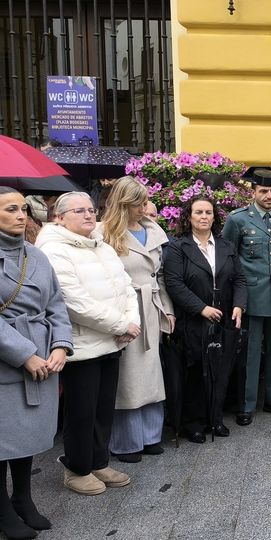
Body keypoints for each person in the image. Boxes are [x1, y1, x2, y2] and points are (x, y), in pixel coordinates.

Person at [36, 191, 139, 495]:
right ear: (60, 217)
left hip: (113, 341)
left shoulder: (102, 245)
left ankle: (98, 461)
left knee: (103, 409)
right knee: (81, 412)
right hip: (81, 346)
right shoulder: (54, 249)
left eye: (91, 209)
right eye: (79, 211)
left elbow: (126, 286)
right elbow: (72, 302)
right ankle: (77, 469)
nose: (88, 215)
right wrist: (121, 324)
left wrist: (131, 323)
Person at [0, 187, 72, 540]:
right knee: (3, 438)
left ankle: (23, 499)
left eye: (23, 209)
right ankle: (1, 508)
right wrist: (23, 354)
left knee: (27, 434)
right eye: (11, 209)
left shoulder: (36, 255)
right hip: (7, 359)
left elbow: (56, 304)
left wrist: (60, 345)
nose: (20, 215)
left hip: (43, 354)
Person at [98, 177, 174, 463]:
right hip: (124, 310)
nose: (145, 208)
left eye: (145, 202)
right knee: (128, 377)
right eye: (139, 203)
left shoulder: (153, 231)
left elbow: (160, 276)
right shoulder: (104, 233)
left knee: (152, 373)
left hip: (151, 306)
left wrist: (167, 308)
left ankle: (151, 435)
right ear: (125, 203)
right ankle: (127, 442)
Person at [162, 196, 247, 443]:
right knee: (197, 371)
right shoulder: (178, 247)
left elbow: (239, 279)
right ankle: (194, 423)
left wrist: (240, 305)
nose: (203, 217)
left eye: (208, 212)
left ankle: (215, 419)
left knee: (220, 371)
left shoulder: (225, 246)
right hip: (194, 320)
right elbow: (174, 284)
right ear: (189, 216)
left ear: (214, 217)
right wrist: (201, 308)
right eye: (198, 212)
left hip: (224, 318)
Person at [222, 169, 271, 426]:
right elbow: (228, 259)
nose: (269, 196)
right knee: (250, 354)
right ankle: (246, 404)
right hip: (251, 297)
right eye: (263, 191)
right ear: (253, 192)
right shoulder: (238, 219)